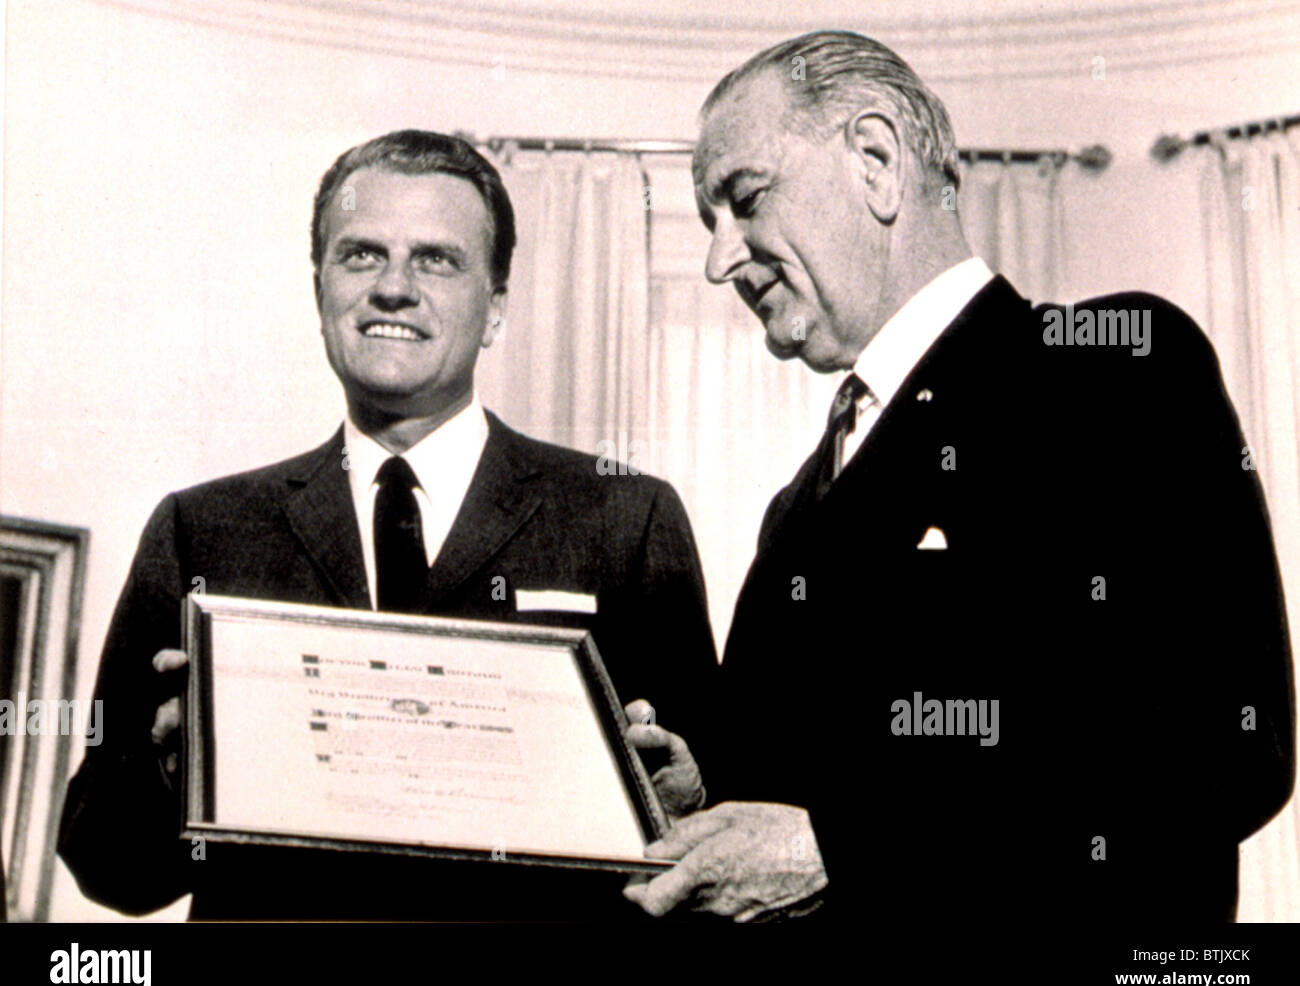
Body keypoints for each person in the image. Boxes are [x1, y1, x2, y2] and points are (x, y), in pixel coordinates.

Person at [623, 30, 1295, 925]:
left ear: (875, 159)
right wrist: (706, 788)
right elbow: (815, 794)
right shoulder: (797, 501)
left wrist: (841, 850)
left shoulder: (1110, 366)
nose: (719, 259)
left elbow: (1223, 747)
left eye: (744, 201)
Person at [58, 130, 715, 920]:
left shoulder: (623, 517)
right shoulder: (204, 530)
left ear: (497, 308)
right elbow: (103, 862)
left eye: (436, 259)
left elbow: (718, 833)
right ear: (320, 290)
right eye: (361, 255)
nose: (393, 288)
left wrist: (689, 798)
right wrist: (170, 771)